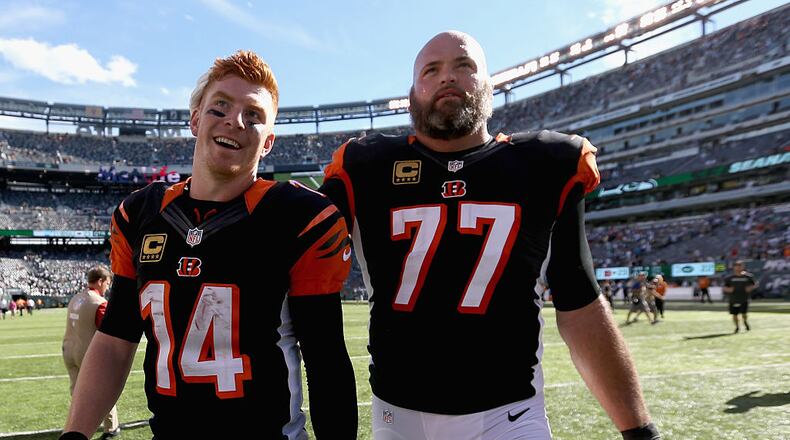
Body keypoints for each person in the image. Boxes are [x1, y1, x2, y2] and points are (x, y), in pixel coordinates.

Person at [321, 31, 659, 440]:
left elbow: (580, 305)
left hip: (511, 418)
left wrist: (640, 431)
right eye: (432, 70)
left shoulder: (545, 164)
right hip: (399, 419)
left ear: (489, 85)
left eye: (464, 67)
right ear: (412, 92)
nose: (448, 78)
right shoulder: (365, 166)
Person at [61, 50, 357, 440]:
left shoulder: (300, 217)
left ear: (268, 142)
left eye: (253, 115)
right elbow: (117, 339)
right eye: (220, 107)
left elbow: (325, 359)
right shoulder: (140, 214)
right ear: (195, 118)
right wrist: (74, 434)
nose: (235, 120)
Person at [62, 265, 120, 439]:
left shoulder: (75, 298)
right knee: (103, 389)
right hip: (86, 353)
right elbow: (109, 331)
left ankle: (74, 428)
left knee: (76, 392)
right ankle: (111, 427)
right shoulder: (99, 303)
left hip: (68, 350)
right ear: (100, 281)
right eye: (107, 283)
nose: (108, 287)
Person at [723, 260, 757, 333]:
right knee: (735, 314)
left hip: (744, 298)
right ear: (734, 267)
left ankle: (745, 321)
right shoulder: (729, 278)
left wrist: (750, 288)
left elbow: (755, 284)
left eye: (740, 266)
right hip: (733, 299)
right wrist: (729, 290)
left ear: (743, 267)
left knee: (744, 313)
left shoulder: (748, 276)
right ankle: (737, 327)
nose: (738, 268)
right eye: (736, 266)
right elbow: (725, 287)